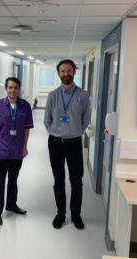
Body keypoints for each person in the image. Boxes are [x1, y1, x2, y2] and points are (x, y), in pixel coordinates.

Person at [44, 59, 90, 230]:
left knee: (76, 181)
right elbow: (47, 120)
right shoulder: (53, 95)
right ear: (58, 74)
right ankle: (61, 213)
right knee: (58, 180)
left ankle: (76, 215)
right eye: (62, 71)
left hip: (74, 144)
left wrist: (74, 132)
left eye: (69, 70)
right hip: (55, 143)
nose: (66, 74)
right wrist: (56, 132)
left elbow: (85, 120)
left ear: (74, 72)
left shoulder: (83, 96)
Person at [0, 77, 33, 226]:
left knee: (13, 180)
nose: (13, 90)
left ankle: (12, 205)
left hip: (17, 151)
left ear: (19, 89)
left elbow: (26, 129)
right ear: (6, 89)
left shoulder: (25, 106)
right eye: (10, 88)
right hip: (1, 150)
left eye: (15, 88)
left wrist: (24, 146)